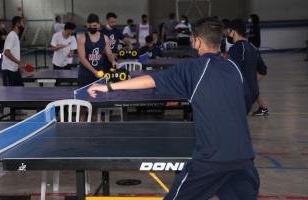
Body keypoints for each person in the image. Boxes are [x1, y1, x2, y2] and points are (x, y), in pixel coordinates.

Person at [88, 17, 260, 200]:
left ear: (198, 41)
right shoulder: (234, 67)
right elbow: (247, 100)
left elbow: (151, 80)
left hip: (211, 160)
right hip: (244, 159)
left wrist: (108, 87)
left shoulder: (194, 68)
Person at [228, 19, 268, 115]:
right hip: (253, 93)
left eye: (229, 31)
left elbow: (232, 73)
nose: (228, 34)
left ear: (234, 32)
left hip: (241, 94)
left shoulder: (235, 49)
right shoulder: (253, 47)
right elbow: (263, 71)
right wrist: (251, 82)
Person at [77, 13, 117, 86]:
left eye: (94, 26)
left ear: (98, 25)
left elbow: (109, 54)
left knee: (100, 96)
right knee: (83, 96)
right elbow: (82, 58)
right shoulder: (82, 38)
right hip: (85, 73)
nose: (92, 27)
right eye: (90, 26)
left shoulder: (105, 38)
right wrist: (94, 71)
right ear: (87, 25)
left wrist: (113, 61)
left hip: (99, 73)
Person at [1, 16, 26, 87]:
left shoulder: (15, 36)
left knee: (20, 89)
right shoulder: (11, 35)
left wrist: (19, 66)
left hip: (14, 68)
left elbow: (14, 53)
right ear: (18, 24)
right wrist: (19, 63)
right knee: (10, 94)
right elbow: (6, 52)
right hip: (8, 70)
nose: (23, 24)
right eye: (22, 23)